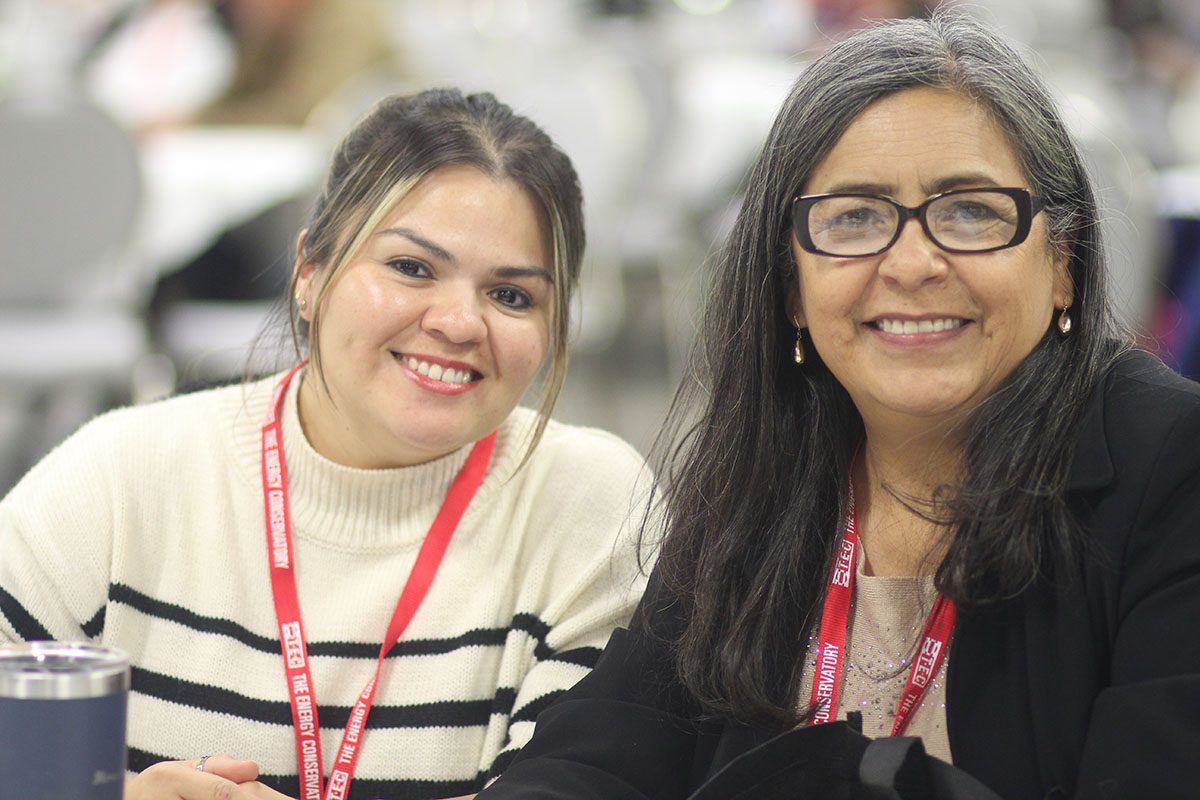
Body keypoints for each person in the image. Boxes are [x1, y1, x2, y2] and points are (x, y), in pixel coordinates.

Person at [476, 11, 1200, 800]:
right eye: (855, 217)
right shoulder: (764, 479)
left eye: (970, 211)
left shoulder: (1172, 468)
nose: (915, 261)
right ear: (791, 287)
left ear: (1062, 264)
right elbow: (596, 756)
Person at [0, 88, 652, 800]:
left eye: (512, 296)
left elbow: (584, 786)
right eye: (412, 267)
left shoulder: (590, 504)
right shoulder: (124, 479)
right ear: (309, 274)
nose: (461, 322)